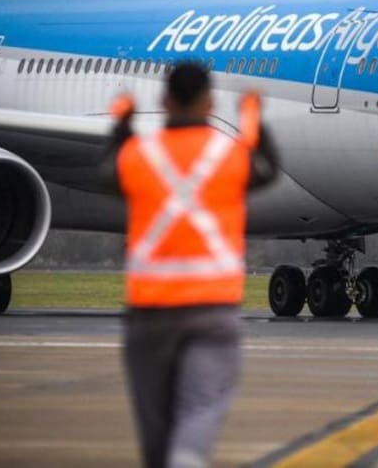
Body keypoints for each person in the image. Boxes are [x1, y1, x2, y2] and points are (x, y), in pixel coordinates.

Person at [103, 62, 278, 468]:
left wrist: (122, 124)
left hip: (149, 315)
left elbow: (106, 172)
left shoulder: (139, 154)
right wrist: (252, 117)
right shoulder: (229, 155)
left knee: (156, 429)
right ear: (209, 101)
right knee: (199, 410)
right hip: (212, 311)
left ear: (164, 101)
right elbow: (265, 167)